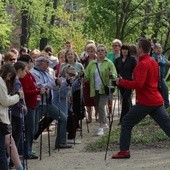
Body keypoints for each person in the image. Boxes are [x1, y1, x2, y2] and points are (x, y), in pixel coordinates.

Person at [112, 38, 170, 159]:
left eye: (138, 47)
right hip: (156, 99)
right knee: (166, 124)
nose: (136, 48)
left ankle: (124, 151)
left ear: (141, 49)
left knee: (127, 121)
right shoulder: (153, 61)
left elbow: (138, 84)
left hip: (146, 101)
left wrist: (121, 82)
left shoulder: (142, 64)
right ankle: (124, 150)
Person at [30, 54, 72, 149]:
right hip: (38, 104)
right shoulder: (33, 73)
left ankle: (61, 142)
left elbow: (55, 87)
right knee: (34, 127)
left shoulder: (47, 72)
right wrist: (54, 83)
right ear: (41, 63)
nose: (48, 64)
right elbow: (40, 86)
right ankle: (26, 148)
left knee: (63, 118)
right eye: (47, 62)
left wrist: (66, 82)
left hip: (48, 103)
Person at [85, 44, 117, 136]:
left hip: (105, 88)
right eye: (98, 51)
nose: (100, 52)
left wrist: (111, 75)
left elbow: (114, 75)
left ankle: (101, 127)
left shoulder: (109, 63)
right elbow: (86, 74)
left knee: (101, 106)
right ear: (96, 53)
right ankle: (105, 122)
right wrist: (82, 77)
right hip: (94, 89)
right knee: (99, 106)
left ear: (105, 53)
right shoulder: (92, 64)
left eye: (102, 50)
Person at [0, 63, 24, 170]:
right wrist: (17, 96)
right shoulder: (0, 81)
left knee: (9, 143)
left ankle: (19, 167)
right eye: (10, 76)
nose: (9, 79)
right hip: (1, 119)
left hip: (3, 119)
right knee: (2, 150)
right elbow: (5, 101)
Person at [114, 44, 137, 124]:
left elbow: (136, 70)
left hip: (129, 83)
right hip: (121, 83)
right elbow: (115, 71)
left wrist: (135, 80)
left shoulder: (132, 59)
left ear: (128, 51)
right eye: (123, 49)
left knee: (125, 99)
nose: (124, 51)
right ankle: (131, 116)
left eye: (126, 49)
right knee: (127, 100)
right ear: (121, 50)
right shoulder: (117, 60)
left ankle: (123, 119)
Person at [81, 43, 98, 122]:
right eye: (88, 51)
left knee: (96, 99)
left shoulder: (98, 59)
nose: (90, 53)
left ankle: (97, 115)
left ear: (95, 51)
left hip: (96, 82)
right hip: (87, 82)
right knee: (87, 100)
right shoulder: (84, 60)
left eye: (92, 51)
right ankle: (89, 116)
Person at [152, 43, 170, 108]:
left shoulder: (162, 55)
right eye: (157, 48)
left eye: (160, 48)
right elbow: (152, 63)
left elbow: (167, 62)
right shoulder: (154, 56)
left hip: (162, 77)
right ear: (154, 50)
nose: (159, 49)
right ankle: (166, 105)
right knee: (164, 89)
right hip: (157, 77)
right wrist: (157, 62)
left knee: (162, 91)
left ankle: (161, 105)